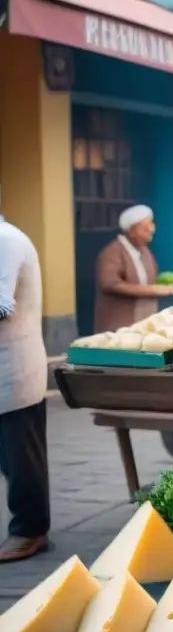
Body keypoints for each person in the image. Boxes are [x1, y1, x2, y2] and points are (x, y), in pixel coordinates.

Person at [0, 215, 50, 562]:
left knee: (21, 459)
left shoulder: (6, 239)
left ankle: (30, 531)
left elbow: (1, 305)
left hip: (12, 369)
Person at [94, 205, 173, 333]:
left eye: (151, 225)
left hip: (146, 321)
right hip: (120, 325)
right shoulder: (112, 252)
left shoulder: (145, 251)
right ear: (130, 231)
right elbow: (109, 284)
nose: (151, 230)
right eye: (145, 228)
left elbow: (150, 279)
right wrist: (150, 290)